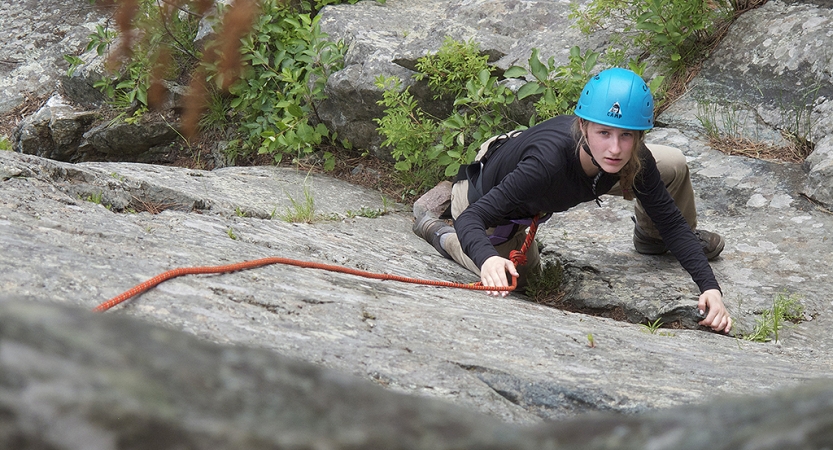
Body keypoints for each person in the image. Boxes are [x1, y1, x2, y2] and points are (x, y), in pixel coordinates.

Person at [412, 67, 732, 333]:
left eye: (626, 135)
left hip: (560, 170)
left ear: (639, 136)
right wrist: (488, 259)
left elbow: (672, 222)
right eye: (604, 132)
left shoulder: (625, 156)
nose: (616, 148)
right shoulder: (545, 167)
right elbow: (473, 218)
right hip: (482, 196)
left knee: (671, 164)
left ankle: (651, 239)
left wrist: (710, 288)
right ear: (583, 126)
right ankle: (439, 232)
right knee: (516, 279)